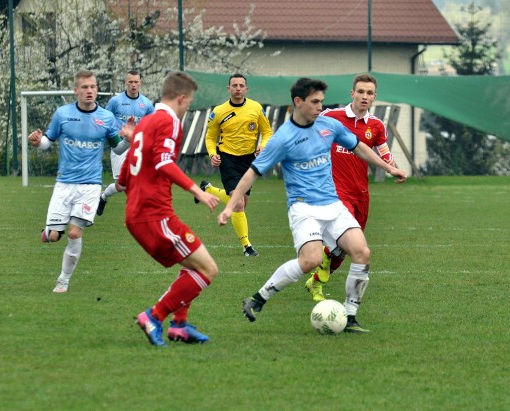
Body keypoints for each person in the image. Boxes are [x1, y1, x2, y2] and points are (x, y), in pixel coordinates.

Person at [217, 78, 407, 333]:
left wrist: (389, 168)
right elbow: (252, 172)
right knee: (310, 260)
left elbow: (360, 147)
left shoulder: (330, 125)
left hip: (333, 204)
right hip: (303, 208)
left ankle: (350, 316)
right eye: (315, 102)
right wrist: (230, 207)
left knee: (362, 252)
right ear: (299, 102)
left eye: (321, 101)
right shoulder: (283, 138)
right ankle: (259, 298)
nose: (320, 107)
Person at [116, 71, 220, 347]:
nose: (188, 108)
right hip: (154, 215)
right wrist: (197, 190)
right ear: (182, 99)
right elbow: (163, 162)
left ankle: (180, 325)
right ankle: (155, 316)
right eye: (190, 103)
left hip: (138, 215)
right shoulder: (169, 121)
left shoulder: (146, 123)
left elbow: (124, 179)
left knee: (192, 264)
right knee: (208, 269)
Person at [28, 69, 132, 293]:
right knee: (53, 237)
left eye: (93, 87)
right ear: (76, 90)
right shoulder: (63, 114)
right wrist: (38, 143)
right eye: (84, 87)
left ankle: (63, 280)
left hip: (90, 186)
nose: (89, 91)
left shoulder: (106, 117)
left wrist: (128, 139)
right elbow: (48, 140)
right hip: (64, 184)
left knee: (75, 233)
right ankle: (50, 231)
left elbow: (118, 148)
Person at [305, 73, 396, 302]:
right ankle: (324, 287)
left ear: (375, 97)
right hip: (335, 192)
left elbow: (384, 151)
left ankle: (316, 282)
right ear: (352, 93)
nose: (364, 96)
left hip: (361, 194)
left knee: (345, 249)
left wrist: (392, 166)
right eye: (361, 92)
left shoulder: (376, 125)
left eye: (369, 93)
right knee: (343, 238)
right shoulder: (331, 116)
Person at [200, 73, 273, 257]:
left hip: (248, 160)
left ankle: (208, 190)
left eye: (241, 85)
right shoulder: (219, 111)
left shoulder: (256, 108)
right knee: (238, 204)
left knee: (243, 203)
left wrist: (263, 146)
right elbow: (210, 137)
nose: (238, 88)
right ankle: (247, 246)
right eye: (235, 85)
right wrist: (213, 154)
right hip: (227, 159)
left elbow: (267, 131)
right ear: (229, 88)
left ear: (246, 89)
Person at [96, 70, 154, 216]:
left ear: (140, 83)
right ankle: (103, 197)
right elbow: (105, 119)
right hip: (119, 146)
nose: (133, 85)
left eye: (136, 82)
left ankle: (142, 210)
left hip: (137, 146)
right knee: (121, 184)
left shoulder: (146, 104)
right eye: (131, 82)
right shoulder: (115, 101)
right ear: (125, 83)